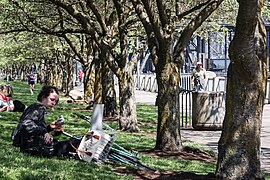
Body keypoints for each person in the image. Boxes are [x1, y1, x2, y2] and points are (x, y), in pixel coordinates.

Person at [14, 85, 80, 157]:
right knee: (74, 143)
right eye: (52, 99)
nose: (54, 103)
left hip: (32, 146)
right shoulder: (38, 108)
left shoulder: (35, 107)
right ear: (43, 97)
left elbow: (34, 129)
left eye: (56, 101)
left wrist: (50, 127)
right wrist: (44, 131)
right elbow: (26, 124)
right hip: (34, 148)